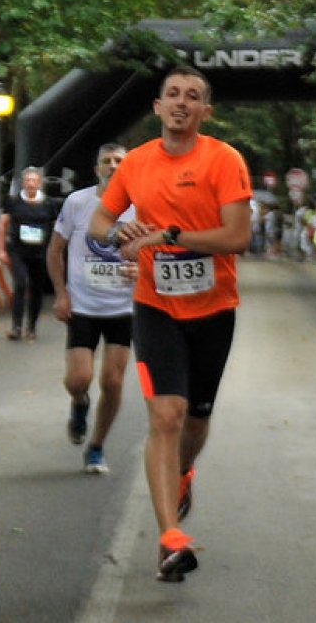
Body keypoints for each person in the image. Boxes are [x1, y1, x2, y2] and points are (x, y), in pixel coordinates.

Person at [88, 67, 251, 582]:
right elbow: (98, 224)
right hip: (155, 307)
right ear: (158, 107)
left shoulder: (224, 160)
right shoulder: (136, 163)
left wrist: (170, 236)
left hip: (214, 310)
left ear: (205, 111)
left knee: (195, 422)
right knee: (166, 414)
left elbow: (236, 237)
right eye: (173, 94)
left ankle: (181, 473)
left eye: (193, 96)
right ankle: (170, 538)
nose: (182, 102)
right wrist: (119, 234)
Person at [46, 143, 135, 474]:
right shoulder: (77, 202)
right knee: (79, 379)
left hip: (123, 307)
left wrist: (142, 268)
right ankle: (80, 402)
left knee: (113, 382)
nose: (113, 166)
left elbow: (156, 251)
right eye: (106, 161)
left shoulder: (140, 207)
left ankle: (96, 446)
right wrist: (61, 293)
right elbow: (55, 250)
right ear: (97, 169)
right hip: (83, 304)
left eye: (119, 161)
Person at [0, 167, 59, 340]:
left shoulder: (49, 204)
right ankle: (16, 327)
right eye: (28, 180)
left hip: (40, 252)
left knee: (37, 288)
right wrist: (1, 249)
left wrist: (56, 251)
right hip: (18, 251)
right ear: (23, 183)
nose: (31, 184)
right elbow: (2, 225)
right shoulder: (13, 201)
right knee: (20, 284)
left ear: (40, 183)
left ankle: (31, 327)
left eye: (34, 180)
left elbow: (57, 229)